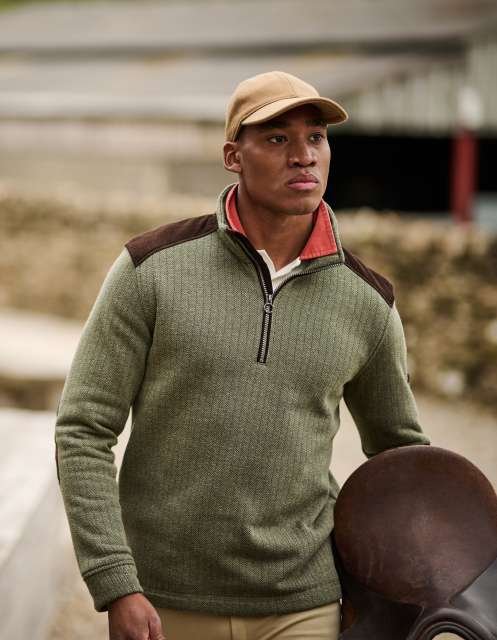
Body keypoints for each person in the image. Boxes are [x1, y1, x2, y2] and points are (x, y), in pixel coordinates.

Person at [54, 70, 430, 640]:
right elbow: (83, 428)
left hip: (305, 602)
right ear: (233, 156)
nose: (303, 156)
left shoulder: (367, 302)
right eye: (277, 139)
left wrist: (394, 589)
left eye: (316, 137)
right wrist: (116, 582)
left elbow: (402, 461)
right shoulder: (151, 269)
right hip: (163, 601)